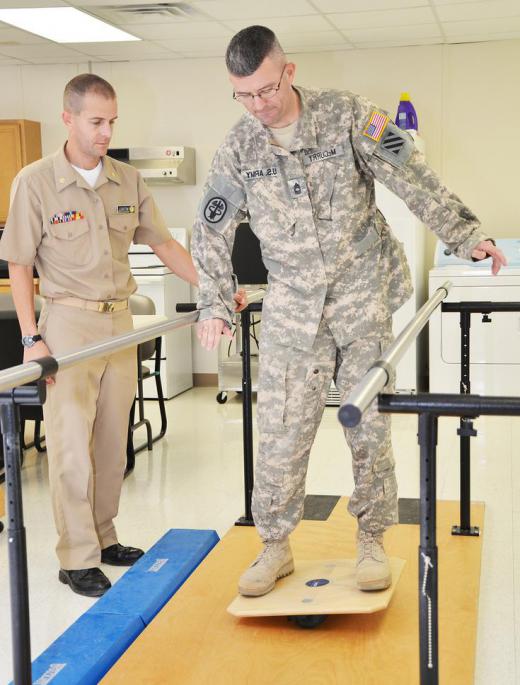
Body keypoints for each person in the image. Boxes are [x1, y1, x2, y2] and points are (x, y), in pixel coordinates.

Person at [191, 26, 507, 597]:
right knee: (281, 432)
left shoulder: (348, 116)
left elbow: (410, 174)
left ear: (288, 70)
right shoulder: (239, 146)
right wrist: (214, 300)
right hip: (291, 310)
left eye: (266, 88)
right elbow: (210, 231)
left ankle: (372, 541)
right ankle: (274, 546)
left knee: (370, 426)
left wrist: (464, 235)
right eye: (244, 95)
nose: (258, 104)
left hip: (361, 296)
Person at [0, 73, 245, 597]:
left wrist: (219, 285)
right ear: (68, 119)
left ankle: (105, 536)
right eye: (96, 122)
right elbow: (19, 264)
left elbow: (164, 245)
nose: (106, 131)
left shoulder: (127, 181)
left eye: (112, 121)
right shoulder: (36, 181)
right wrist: (30, 337)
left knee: (113, 442)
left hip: (119, 325)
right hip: (66, 326)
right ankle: (77, 556)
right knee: (69, 448)